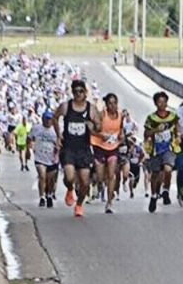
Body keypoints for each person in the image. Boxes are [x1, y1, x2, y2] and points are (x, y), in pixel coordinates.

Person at [53, 79, 101, 218]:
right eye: (75, 92)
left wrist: (93, 126)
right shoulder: (66, 106)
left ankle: (79, 204)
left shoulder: (90, 108)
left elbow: (98, 126)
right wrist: (58, 135)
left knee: (85, 182)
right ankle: (69, 188)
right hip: (68, 148)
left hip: (84, 149)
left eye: (81, 91)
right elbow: (55, 118)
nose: (78, 94)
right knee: (69, 177)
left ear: (85, 93)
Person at [144, 91, 180, 213]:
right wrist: (155, 130)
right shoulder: (151, 118)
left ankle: (166, 191)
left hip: (169, 148)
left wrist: (178, 136)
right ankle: (154, 196)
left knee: (168, 169)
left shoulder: (173, 116)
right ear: (155, 103)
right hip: (155, 150)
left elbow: (177, 127)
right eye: (160, 102)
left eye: (164, 102)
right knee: (155, 175)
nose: (162, 104)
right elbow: (146, 133)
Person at [90, 93, 125, 214]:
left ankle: (109, 203)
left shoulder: (120, 116)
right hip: (99, 146)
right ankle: (100, 184)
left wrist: (121, 136)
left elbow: (121, 130)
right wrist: (101, 135)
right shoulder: (101, 115)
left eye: (115, 103)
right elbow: (91, 128)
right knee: (100, 176)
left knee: (111, 175)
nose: (113, 105)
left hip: (113, 147)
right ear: (106, 104)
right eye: (110, 103)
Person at [29, 110, 60, 208]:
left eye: (49, 119)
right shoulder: (36, 128)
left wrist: (58, 149)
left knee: (50, 180)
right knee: (42, 176)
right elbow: (29, 138)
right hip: (39, 157)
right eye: (46, 119)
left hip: (52, 158)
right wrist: (28, 149)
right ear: (42, 119)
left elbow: (60, 143)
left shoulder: (55, 130)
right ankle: (42, 197)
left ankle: (49, 194)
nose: (48, 121)